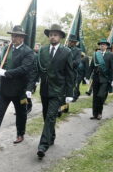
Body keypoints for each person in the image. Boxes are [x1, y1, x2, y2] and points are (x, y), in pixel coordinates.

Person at [36, 24, 74, 159]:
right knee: (46, 115)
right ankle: (51, 136)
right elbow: (38, 68)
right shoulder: (43, 50)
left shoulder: (66, 52)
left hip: (58, 90)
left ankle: (43, 145)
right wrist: (34, 83)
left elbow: (70, 74)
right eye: (51, 34)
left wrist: (70, 93)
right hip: (44, 90)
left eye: (55, 35)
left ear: (61, 37)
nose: (53, 37)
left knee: (51, 116)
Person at [86, 39, 113, 120]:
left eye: (104, 44)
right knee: (95, 97)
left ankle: (100, 113)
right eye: (101, 44)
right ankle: (95, 114)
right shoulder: (96, 54)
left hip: (105, 79)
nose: (102, 45)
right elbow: (91, 66)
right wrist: (87, 77)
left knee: (100, 96)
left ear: (106, 46)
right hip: (96, 78)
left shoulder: (110, 55)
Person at [67, 34, 81, 102]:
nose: (70, 42)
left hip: (72, 72)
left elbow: (77, 62)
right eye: (69, 41)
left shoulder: (78, 50)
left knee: (71, 87)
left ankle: (75, 94)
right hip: (62, 72)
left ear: (75, 43)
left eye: (72, 41)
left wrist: (68, 63)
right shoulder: (64, 48)